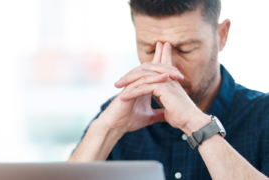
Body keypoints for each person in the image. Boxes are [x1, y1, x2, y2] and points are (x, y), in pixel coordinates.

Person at [68, 0, 269, 179]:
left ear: (222, 36)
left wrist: (196, 124)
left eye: (185, 49)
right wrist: (106, 130)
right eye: (150, 50)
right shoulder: (117, 118)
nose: (168, 68)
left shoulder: (264, 116)